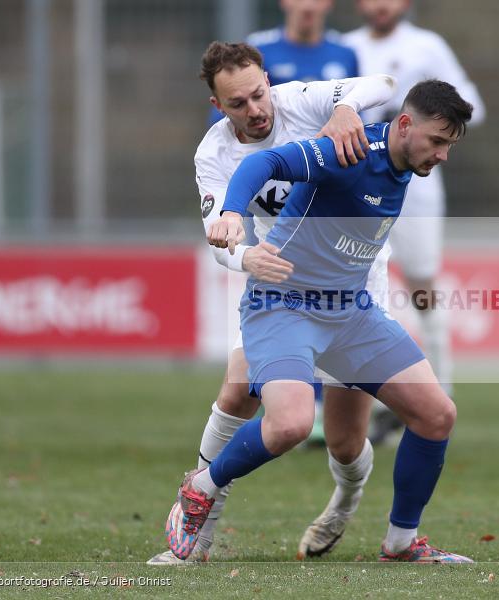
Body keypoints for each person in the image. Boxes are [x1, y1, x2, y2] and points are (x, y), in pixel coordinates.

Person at [166, 79, 475, 563]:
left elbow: (378, 85)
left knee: (436, 416)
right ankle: (201, 486)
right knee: (289, 424)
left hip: (350, 312)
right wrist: (230, 213)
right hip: (284, 304)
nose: (442, 155)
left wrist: (350, 102)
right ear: (406, 125)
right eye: (437, 141)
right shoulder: (348, 151)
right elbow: (263, 162)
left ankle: (400, 543)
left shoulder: (402, 165)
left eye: (449, 146)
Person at [147, 41, 397, 565]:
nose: (256, 111)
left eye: (259, 95)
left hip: (354, 282)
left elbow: (386, 86)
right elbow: (221, 237)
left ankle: (344, 503)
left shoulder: (302, 101)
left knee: (346, 441)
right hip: (280, 285)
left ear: (269, 83)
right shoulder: (212, 154)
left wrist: (347, 107)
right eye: (238, 104)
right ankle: (199, 526)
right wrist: (245, 260)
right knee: (238, 392)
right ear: (218, 107)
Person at [344, 0, 486, 428]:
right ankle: (357, 399)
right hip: (359, 181)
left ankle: (440, 387)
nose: (381, 5)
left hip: (417, 190)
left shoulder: (427, 47)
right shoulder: (345, 49)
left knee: (422, 282)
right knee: (355, 282)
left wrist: (418, 114)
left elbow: (471, 106)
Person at [208, 0, 359, 127]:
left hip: (330, 152)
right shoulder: (258, 48)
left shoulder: (345, 53)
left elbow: (357, 110)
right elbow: (229, 110)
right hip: (274, 149)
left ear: (329, 2)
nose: (307, 6)